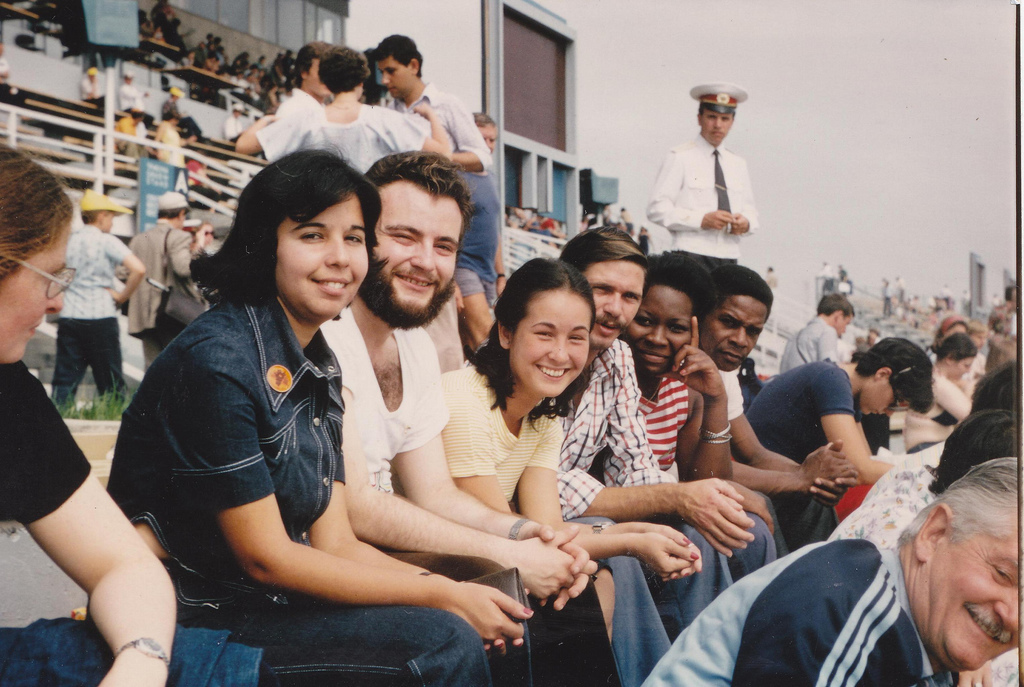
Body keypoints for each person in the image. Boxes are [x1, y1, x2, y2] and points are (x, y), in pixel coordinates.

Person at [108, 150, 530, 685]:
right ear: (266, 244)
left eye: (354, 238)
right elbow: (269, 559)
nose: (340, 258)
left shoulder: (318, 359)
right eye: (312, 235)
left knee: (493, 609)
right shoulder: (219, 359)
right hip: (195, 622)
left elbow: (337, 542)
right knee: (443, 638)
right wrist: (441, 594)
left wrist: (460, 595)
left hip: (270, 604)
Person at [0, 144, 268, 686]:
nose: (56, 302)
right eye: (50, 277)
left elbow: (123, 564)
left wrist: (141, 659)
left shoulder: (10, 395)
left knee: (227, 665)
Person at [321, 151, 591, 607]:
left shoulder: (417, 347)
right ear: (360, 237)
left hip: (382, 552)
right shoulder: (327, 335)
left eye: (444, 246)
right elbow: (360, 505)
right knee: (510, 593)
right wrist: (507, 554)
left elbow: (436, 493)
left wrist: (525, 533)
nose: (426, 261)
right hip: (334, 567)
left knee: (563, 591)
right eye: (404, 237)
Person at [443, 257, 703, 686]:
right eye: (544, 334)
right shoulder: (467, 400)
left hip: (499, 555)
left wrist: (637, 540)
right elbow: (499, 536)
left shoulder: (543, 413)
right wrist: (626, 543)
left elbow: (547, 526)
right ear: (506, 332)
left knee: (593, 581)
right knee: (584, 585)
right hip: (445, 562)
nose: (560, 355)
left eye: (576, 338)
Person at [556, 228, 776, 639]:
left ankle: (730, 659)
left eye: (628, 298)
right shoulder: (550, 350)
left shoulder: (615, 357)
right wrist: (681, 497)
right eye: (603, 290)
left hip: (597, 511)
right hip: (541, 520)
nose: (614, 310)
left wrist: (714, 404)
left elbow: (635, 465)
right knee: (657, 545)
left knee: (731, 530)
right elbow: (551, 481)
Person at [642, 457, 1018, 687]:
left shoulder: (914, 625)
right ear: (934, 535)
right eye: (1003, 574)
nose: (1013, 614)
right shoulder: (846, 610)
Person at [696, 264, 859, 554]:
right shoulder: (686, 366)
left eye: (753, 331)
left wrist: (816, 476)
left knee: (813, 496)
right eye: (729, 322)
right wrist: (799, 478)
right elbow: (704, 472)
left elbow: (754, 453)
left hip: (708, 481)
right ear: (701, 316)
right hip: (683, 489)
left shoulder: (725, 372)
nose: (740, 339)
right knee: (765, 507)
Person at [746, 338, 933, 549]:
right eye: (896, 403)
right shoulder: (831, 380)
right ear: (882, 374)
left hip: (781, 478)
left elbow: (865, 462)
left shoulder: (847, 393)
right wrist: (922, 471)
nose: (889, 413)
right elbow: (859, 469)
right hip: (759, 479)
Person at [238, 46, 449, 169]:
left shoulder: (305, 119)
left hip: (319, 217)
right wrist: (431, 116)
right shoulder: (385, 119)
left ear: (327, 83)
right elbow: (444, 154)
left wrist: (266, 119)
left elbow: (243, 146)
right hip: (368, 218)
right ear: (361, 81)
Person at [621, 253, 732, 480]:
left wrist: (716, 400)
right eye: (644, 321)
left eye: (676, 328)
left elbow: (709, 483)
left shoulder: (684, 395)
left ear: (695, 333)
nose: (657, 338)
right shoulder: (601, 382)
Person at [646, 83, 759, 270]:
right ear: (699, 118)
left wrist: (746, 224)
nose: (718, 125)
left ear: (732, 122)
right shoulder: (680, 157)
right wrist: (701, 220)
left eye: (725, 118)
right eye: (712, 117)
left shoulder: (738, 163)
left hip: (729, 255)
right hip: (690, 253)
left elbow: (750, 210)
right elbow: (657, 208)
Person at [51, 190, 144, 407]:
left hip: (71, 315)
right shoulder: (106, 241)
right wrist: (121, 296)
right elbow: (138, 269)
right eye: (111, 217)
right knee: (110, 380)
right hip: (101, 315)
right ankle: (113, 421)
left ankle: (60, 418)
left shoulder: (69, 240)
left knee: (65, 378)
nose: (112, 222)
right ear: (101, 216)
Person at [375, 34, 492, 174]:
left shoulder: (447, 104)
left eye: (391, 71)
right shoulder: (387, 113)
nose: (384, 80)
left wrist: (442, 160)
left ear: (413, 66)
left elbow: (483, 158)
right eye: (382, 72)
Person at [126, 191, 197, 368]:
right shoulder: (180, 236)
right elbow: (183, 268)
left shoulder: (138, 239)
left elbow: (123, 272)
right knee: (177, 367)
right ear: (181, 213)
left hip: (143, 313)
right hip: (172, 313)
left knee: (152, 369)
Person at [454, 112, 506, 351]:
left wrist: (501, 274)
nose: (488, 145)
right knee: (486, 338)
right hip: (463, 266)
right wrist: (449, 279)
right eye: (482, 139)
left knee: (468, 342)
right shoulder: (456, 176)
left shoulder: (491, 178)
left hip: (487, 272)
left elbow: (493, 230)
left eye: (492, 140)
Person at [903, 332, 977, 453]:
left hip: (924, 447)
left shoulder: (933, 377)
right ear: (949, 359)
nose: (968, 371)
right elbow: (971, 415)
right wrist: (970, 387)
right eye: (966, 365)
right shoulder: (937, 382)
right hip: (926, 448)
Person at [779, 293, 855, 373]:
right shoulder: (827, 331)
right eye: (846, 323)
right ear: (838, 316)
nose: (844, 331)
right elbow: (831, 373)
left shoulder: (796, 335)